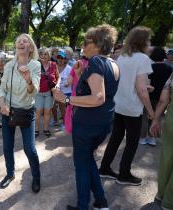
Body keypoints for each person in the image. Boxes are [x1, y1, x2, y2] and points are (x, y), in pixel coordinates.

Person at [54, 24, 119, 210]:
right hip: (103, 122)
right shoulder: (113, 63)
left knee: (81, 165)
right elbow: (98, 90)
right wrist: (81, 73)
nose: (82, 45)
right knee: (88, 160)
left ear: (98, 44)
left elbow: (98, 97)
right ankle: (101, 202)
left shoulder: (97, 62)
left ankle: (83, 206)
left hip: (88, 124)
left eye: (86, 41)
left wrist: (66, 99)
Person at [99, 26, 155, 186]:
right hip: (132, 108)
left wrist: (144, 87)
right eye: (149, 40)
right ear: (142, 41)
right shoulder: (143, 59)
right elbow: (141, 90)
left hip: (119, 105)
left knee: (115, 138)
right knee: (131, 142)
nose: (150, 43)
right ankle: (124, 174)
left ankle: (104, 168)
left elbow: (127, 82)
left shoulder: (122, 57)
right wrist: (151, 111)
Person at [0, 33, 41, 193]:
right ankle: (10, 174)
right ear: (16, 46)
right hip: (8, 111)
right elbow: (2, 87)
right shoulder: (9, 65)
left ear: (30, 48)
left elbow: (33, 92)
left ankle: (36, 177)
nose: (21, 43)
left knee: (30, 149)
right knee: (7, 147)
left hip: (26, 111)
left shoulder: (35, 65)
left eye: (25, 41)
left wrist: (28, 79)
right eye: (19, 41)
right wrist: (2, 104)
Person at [150, 71, 173, 210]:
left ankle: (160, 194)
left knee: (167, 158)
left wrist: (155, 119)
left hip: (171, 122)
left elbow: (163, 99)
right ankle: (170, 202)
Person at [139, 47, 173, 146]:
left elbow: (147, 83)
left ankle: (143, 138)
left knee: (145, 117)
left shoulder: (150, 68)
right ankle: (152, 138)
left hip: (150, 96)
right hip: (163, 98)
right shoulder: (169, 69)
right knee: (157, 118)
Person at [35, 48, 58, 137]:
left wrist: (57, 86)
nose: (44, 56)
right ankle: (36, 129)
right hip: (39, 92)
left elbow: (58, 77)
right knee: (38, 111)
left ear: (49, 56)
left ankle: (46, 129)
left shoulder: (53, 64)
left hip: (49, 92)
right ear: (39, 56)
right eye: (42, 54)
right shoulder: (37, 65)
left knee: (48, 111)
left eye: (46, 54)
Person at [55, 50, 72, 130]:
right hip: (57, 92)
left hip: (68, 92)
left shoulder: (69, 68)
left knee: (67, 108)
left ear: (65, 59)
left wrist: (68, 83)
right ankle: (58, 121)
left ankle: (66, 124)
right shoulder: (54, 66)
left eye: (62, 58)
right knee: (59, 107)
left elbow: (72, 79)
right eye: (58, 57)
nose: (60, 59)